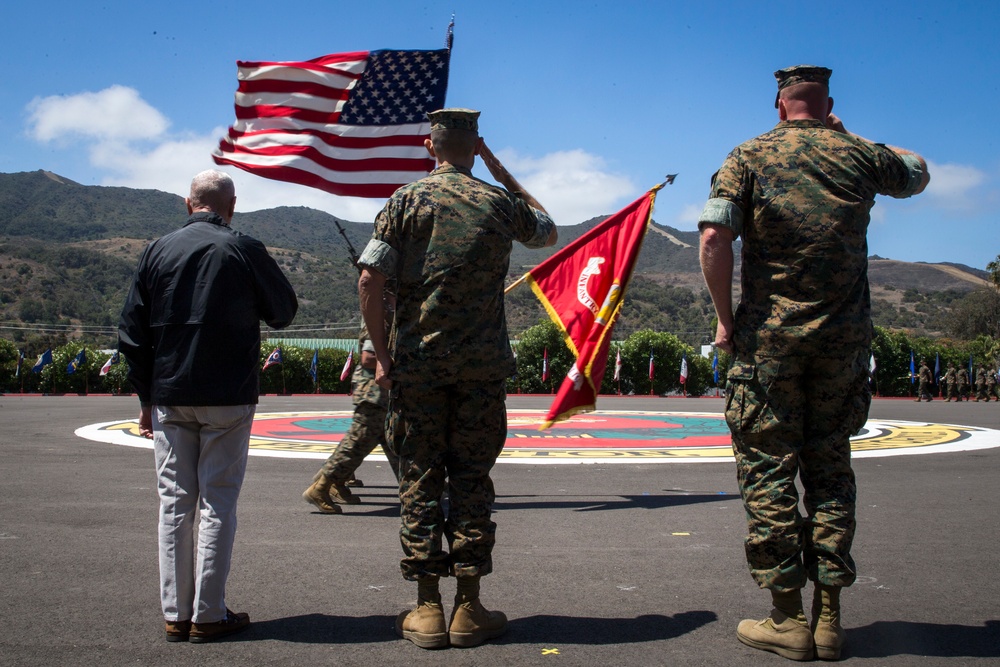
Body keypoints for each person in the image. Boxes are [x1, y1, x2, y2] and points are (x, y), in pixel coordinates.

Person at [698, 66, 929, 661]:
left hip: (769, 345)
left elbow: (713, 239)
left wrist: (726, 319)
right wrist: (852, 136)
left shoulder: (747, 156)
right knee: (830, 471)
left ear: (779, 104)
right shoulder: (858, 154)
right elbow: (919, 171)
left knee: (769, 472)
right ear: (828, 103)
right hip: (842, 346)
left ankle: (786, 618)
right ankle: (830, 619)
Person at [356, 108, 557, 649]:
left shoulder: (405, 201)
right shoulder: (498, 203)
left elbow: (371, 276)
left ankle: (426, 608)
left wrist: (383, 353)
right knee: (471, 479)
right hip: (481, 369)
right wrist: (497, 168)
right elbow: (548, 229)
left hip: (417, 366)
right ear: (475, 147)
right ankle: (469, 607)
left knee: (419, 478)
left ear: (430, 145)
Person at [118, 170, 298, 643]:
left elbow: (132, 334)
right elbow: (283, 312)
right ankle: (209, 615)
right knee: (218, 502)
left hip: (170, 394)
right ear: (231, 206)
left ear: (187, 203)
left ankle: (175, 613)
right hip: (229, 395)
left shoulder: (157, 250)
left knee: (175, 504)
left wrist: (144, 399)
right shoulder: (244, 247)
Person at [302, 288, 400, 513]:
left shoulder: (390, 314)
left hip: (382, 396)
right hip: (373, 394)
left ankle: (416, 491)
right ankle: (321, 486)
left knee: (394, 447)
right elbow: (368, 358)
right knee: (355, 445)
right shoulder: (380, 317)